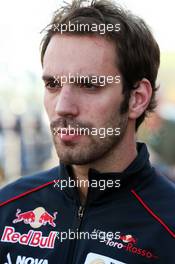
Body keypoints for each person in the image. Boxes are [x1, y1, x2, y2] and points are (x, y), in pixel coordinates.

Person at [0, 0, 175, 263]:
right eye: (53, 84)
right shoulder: (7, 208)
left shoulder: (168, 224)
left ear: (136, 99)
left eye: (89, 85)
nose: (63, 107)